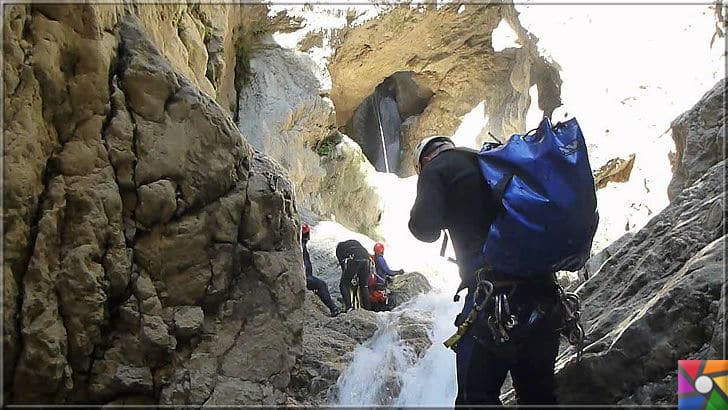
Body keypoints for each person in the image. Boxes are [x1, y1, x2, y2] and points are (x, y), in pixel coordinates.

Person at [408, 136, 562, 406]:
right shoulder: (489, 160)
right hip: (545, 295)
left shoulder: (437, 168)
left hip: (494, 297)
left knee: (473, 399)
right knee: (538, 398)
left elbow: (423, 226)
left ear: (426, 159)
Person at [302, 224, 341, 317]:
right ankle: (333, 308)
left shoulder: (301, 245)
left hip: (304, 274)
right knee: (321, 285)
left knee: (319, 284)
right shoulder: (301, 246)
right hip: (303, 276)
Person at [335, 239, 372, 311]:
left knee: (344, 284)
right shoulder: (353, 243)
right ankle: (368, 308)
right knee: (364, 286)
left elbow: (343, 266)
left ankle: (348, 307)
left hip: (355, 258)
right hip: (366, 258)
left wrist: (350, 278)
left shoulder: (339, 249)